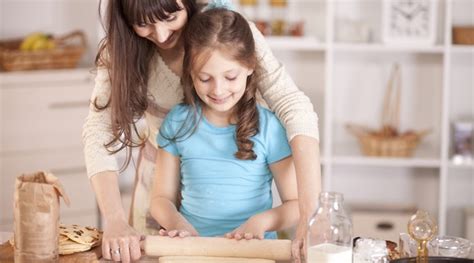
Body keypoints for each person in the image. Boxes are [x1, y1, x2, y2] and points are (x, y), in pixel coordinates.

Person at [82, 0, 321, 262]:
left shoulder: (227, 32)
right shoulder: (173, 120)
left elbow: (295, 108)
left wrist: (310, 216)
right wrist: (115, 219)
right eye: (143, 23)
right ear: (191, 74)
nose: (161, 36)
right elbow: (99, 131)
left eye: (170, 16)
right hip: (161, 182)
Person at [150, 8, 299, 241]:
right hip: (195, 252)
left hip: (253, 253)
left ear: (250, 66)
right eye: (205, 78)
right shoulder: (178, 122)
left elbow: (296, 204)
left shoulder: (269, 127)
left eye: (230, 77)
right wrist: (177, 223)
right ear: (190, 73)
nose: (218, 90)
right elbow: (161, 199)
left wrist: (262, 221)